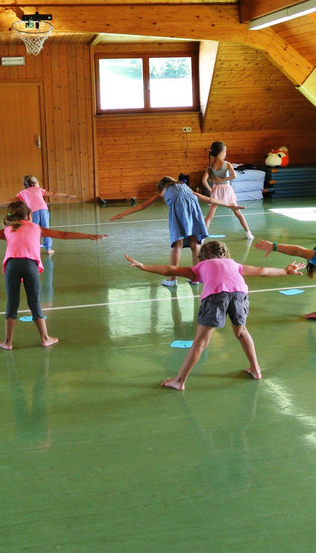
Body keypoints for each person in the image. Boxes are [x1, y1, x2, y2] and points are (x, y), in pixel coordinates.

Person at [125, 240, 304, 390]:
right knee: (241, 332)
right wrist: (286, 271)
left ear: (202, 257)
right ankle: (256, 370)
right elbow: (263, 271)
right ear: (224, 254)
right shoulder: (234, 264)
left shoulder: (200, 267)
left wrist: (144, 267)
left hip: (215, 297)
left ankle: (179, 381)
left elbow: (170, 269)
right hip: (240, 295)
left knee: (201, 342)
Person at [0, 201, 107, 349]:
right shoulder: (36, 228)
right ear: (29, 215)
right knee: (34, 302)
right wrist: (90, 236)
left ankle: (8, 342)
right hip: (29, 265)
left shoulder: (8, 229)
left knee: (12, 304)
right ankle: (45, 339)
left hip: (12, 265)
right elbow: (64, 235)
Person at [110, 176, 244, 287]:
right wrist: (230, 205)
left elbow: (143, 205)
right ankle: (196, 277)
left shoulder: (164, 190)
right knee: (195, 244)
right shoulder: (186, 187)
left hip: (179, 212)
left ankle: (172, 279)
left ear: (162, 186)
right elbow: (208, 199)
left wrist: (122, 214)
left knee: (177, 245)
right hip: (194, 212)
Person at [0, 175, 76, 256]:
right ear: (35, 183)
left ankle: (33, 247)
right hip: (43, 210)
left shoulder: (23, 192)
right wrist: (66, 195)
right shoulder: (38, 189)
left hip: (33, 212)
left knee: (33, 230)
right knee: (46, 229)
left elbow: (11, 199)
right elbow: (53, 194)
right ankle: (48, 248)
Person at [202, 141, 253, 239]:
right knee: (237, 212)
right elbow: (234, 175)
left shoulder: (210, 166)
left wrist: (211, 190)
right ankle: (248, 233)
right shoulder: (226, 164)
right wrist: (223, 180)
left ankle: (203, 236)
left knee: (209, 216)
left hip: (216, 190)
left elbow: (204, 180)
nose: (225, 154)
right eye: (225, 152)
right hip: (226, 190)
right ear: (221, 152)